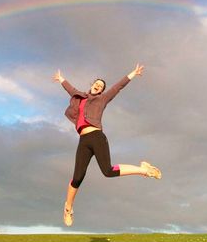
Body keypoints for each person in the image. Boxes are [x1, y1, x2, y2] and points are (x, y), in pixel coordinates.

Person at [53, 63, 161, 227]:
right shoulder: (81, 97)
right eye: (96, 84)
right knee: (77, 177)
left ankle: (143, 170)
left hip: (97, 136)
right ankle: (68, 208)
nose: (98, 86)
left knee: (108, 171)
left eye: (101, 86)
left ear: (102, 91)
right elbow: (71, 89)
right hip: (83, 141)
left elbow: (118, 87)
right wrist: (61, 79)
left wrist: (132, 73)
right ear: (92, 86)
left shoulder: (102, 99)